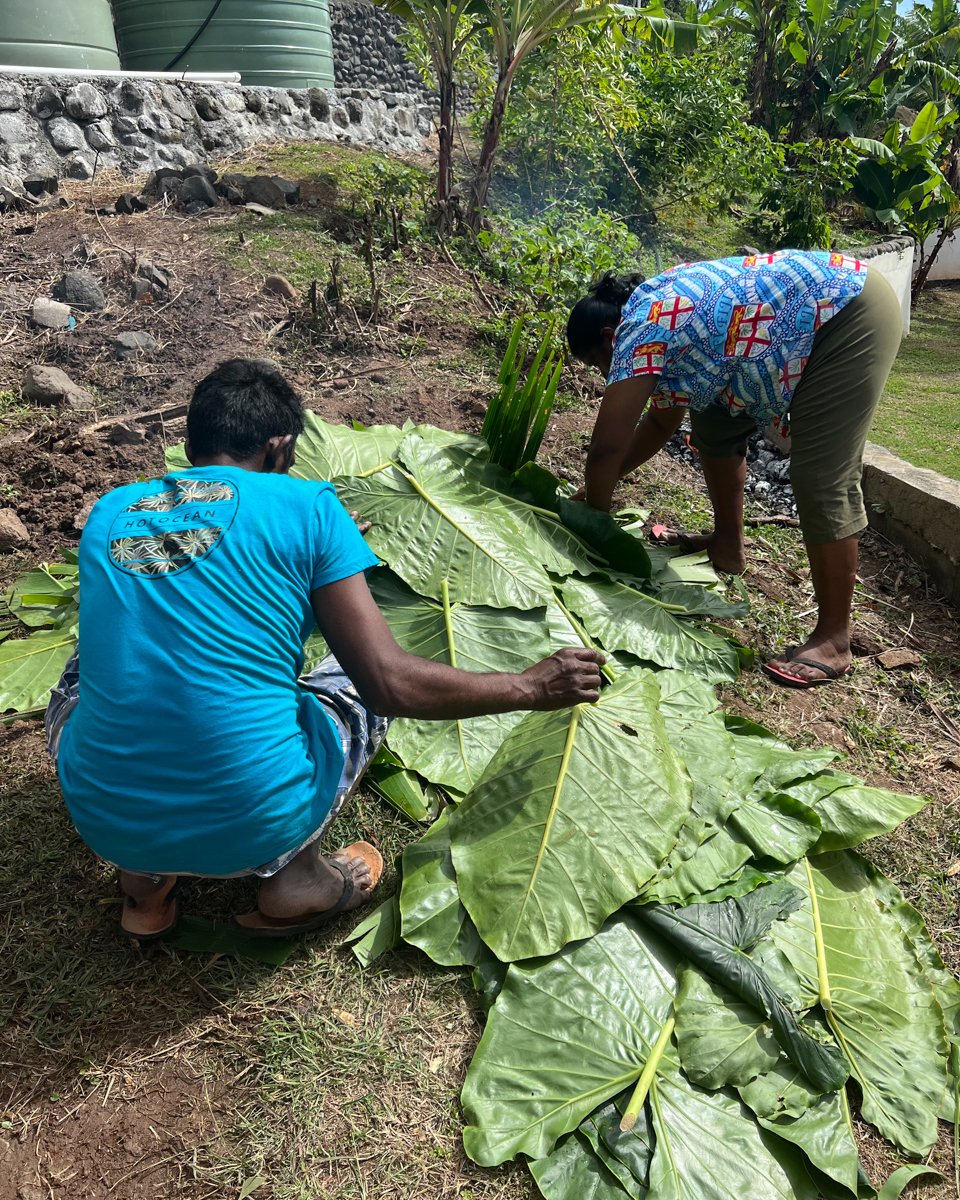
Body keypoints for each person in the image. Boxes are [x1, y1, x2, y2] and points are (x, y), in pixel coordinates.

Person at [45, 358, 604, 941]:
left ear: (192, 442)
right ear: (279, 445)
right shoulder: (310, 507)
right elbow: (389, 683)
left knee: (91, 664)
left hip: (104, 816)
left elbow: (204, 565)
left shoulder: (113, 509)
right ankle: (300, 879)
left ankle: (144, 889)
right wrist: (530, 687)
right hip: (255, 822)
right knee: (352, 683)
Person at [566, 250, 902, 689]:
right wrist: (591, 490)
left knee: (821, 476)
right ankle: (727, 546)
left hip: (847, 315)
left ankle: (834, 638)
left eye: (597, 364)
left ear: (610, 338)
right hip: (769, 337)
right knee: (715, 423)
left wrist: (595, 523)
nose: (603, 374)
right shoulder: (656, 320)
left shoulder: (639, 329)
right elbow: (659, 423)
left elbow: (606, 448)